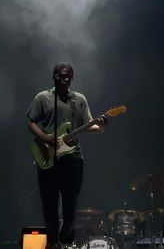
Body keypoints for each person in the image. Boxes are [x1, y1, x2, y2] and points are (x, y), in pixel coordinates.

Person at [26, 62, 107, 249]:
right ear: (54, 76)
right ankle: (53, 243)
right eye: (63, 76)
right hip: (47, 156)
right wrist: (45, 138)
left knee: (70, 204)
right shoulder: (43, 98)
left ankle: (67, 243)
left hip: (73, 158)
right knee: (49, 205)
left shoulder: (79, 100)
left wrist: (101, 127)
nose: (67, 79)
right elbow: (31, 122)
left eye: (70, 76)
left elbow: (88, 124)